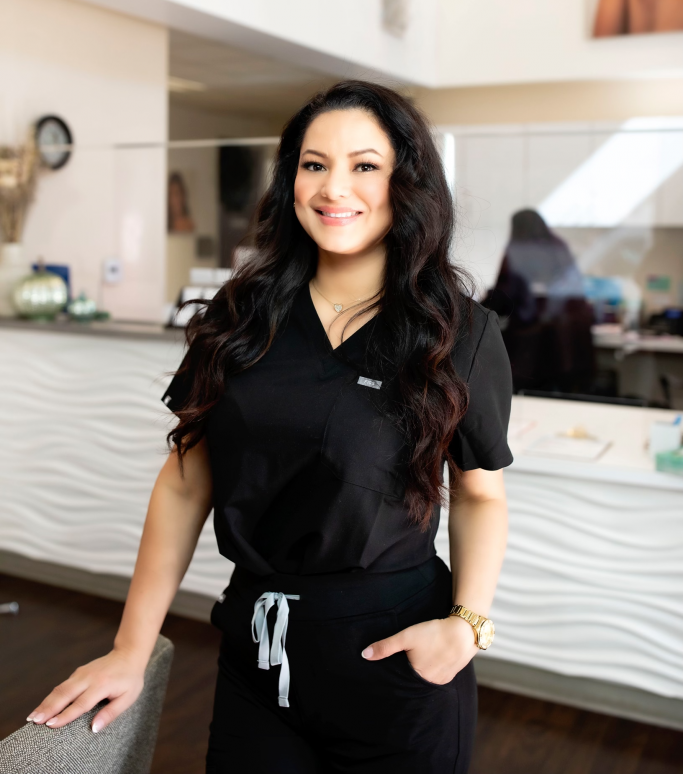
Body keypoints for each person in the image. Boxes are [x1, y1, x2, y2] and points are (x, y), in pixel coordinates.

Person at [26, 81, 513, 774]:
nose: (332, 187)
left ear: (406, 183)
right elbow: (185, 483)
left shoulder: (456, 332)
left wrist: (465, 627)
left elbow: (480, 495)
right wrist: (131, 650)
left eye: (364, 166)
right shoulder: (240, 315)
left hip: (396, 661)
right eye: (314, 164)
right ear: (290, 180)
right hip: (255, 650)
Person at [483, 208, 594, 394]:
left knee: (531, 399)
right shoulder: (558, 246)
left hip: (533, 346)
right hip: (566, 345)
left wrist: (479, 307)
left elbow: (505, 293)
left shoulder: (519, 249)